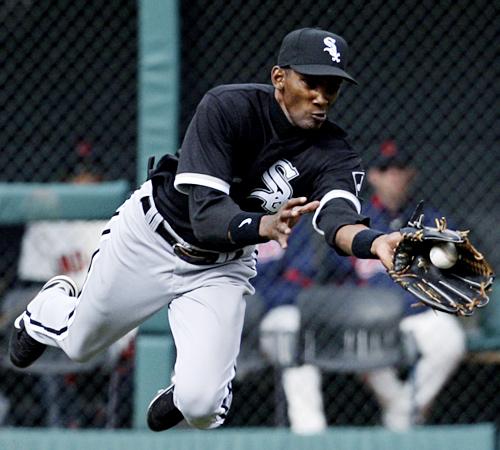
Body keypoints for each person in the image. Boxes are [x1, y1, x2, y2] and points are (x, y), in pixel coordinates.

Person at [9, 28, 403, 432]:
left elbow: (338, 220)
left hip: (221, 267)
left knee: (202, 408)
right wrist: (266, 224)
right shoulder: (228, 108)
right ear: (279, 77)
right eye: (310, 82)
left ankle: (189, 392)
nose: (321, 96)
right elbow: (207, 217)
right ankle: (49, 306)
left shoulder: (335, 152)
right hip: (152, 239)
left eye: (331, 86)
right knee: (80, 345)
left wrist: (376, 243)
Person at [352, 140, 466, 430]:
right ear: (373, 176)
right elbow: (339, 278)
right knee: (356, 344)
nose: (394, 175)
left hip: (419, 313)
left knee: (450, 340)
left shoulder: (433, 222)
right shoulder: (355, 224)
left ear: (411, 174)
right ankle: (406, 419)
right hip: (370, 319)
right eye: (386, 169)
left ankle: (399, 418)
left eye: (400, 168)